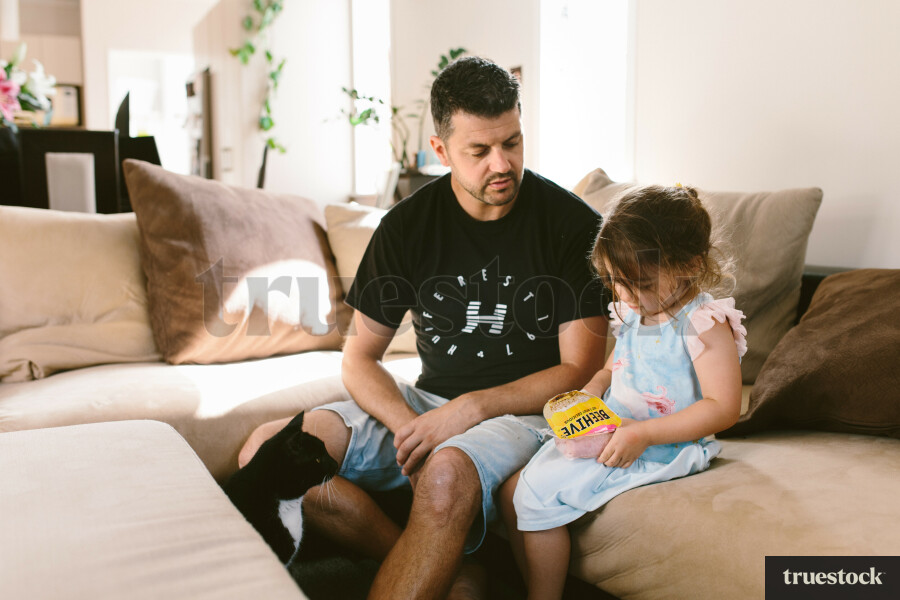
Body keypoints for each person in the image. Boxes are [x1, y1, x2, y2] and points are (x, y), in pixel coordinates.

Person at [238, 56, 609, 599]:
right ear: (440, 151)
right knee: (265, 450)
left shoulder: (571, 224)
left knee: (444, 474)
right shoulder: (407, 226)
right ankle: (446, 567)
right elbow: (359, 358)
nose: (501, 163)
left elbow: (580, 369)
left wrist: (472, 408)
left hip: (527, 414)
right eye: (479, 151)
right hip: (428, 405)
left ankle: (433, 562)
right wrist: (409, 426)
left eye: (512, 142)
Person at [499, 184, 747, 600]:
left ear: (689, 264)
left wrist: (644, 434)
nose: (626, 295)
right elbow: (620, 364)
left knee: (537, 496)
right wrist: (594, 388)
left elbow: (724, 408)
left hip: (663, 441)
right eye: (615, 282)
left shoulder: (702, 322)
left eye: (641, 283)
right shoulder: (635, 309)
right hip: (615, 426)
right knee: (511, 491)